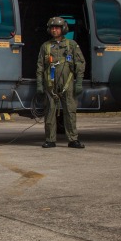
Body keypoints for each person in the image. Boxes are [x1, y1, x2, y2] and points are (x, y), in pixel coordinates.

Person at [36, 17, 86, 149]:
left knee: (70, 111)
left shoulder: (72, 45)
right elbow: (40, 67)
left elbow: (80, 64)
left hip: (67, 84)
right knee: (50, 111)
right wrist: (40, 85)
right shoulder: (45, 47)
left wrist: (79, 82)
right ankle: (50, 139)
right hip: (50, 84)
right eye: (52, 28)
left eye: (57, 28)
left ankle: (73, 139)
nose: (54, 30)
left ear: (63, 29)